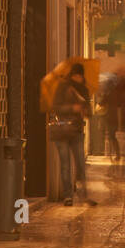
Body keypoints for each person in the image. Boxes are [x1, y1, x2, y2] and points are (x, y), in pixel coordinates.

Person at [49, 63, 97, 207]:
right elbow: (55, 107)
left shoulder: (84, 90)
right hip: (62, 130)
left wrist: (85, 110)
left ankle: (84, 196)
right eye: (77, 75)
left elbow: (89, 111)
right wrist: (72, 108)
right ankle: (68, 196)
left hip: (76, 130)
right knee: (65, 164)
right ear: (73, 75)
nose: (79, 78)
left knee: (81, 164)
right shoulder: (63, 87)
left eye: (81, 76)